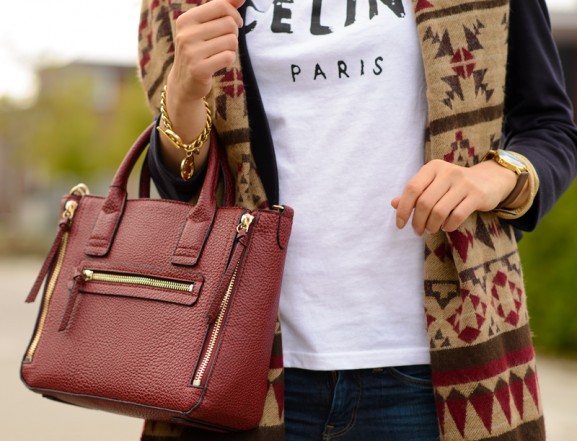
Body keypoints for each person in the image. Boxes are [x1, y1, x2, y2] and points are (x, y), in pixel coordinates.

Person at [137, 0, 577, 440]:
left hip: (440, 366)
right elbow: (182, 186)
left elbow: (549, 127)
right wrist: (183, 93)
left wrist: (490, 178)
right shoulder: (175, 5)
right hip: (238, 365)